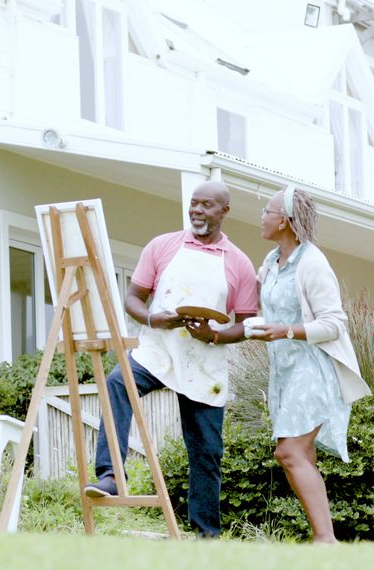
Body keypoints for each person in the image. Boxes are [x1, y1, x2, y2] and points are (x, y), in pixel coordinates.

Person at [84, 180, 258, 539]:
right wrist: (151, 318)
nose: (197, 210)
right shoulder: (162, 246)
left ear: (224, 211)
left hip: (204, 361)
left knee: (207, 453)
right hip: (158, 350)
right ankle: (112, 475)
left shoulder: (238, 263)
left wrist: (212, 334)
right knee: (118, 382)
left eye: (206, 205)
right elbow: (133, 297)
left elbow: (246, 324)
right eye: (194, 204)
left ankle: (206, 536)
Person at [246, 185, 371, 543]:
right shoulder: (271, 262)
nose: (262, 218)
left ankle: (325, 541)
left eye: (266, 212)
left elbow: (334, 323)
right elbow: (251, 302)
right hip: (284, 371)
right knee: (301, 455)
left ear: (283, 220)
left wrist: (287, 330)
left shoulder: (313, 263)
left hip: (314, 369)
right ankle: (324, 540)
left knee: (289, 451)